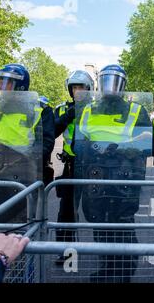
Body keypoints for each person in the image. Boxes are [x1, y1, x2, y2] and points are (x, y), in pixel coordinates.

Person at [74, 64, 152, 283]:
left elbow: (147, 143)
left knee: (122, 225)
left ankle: (125, 272)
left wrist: (123, 150)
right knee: (99, 225)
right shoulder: (88, 109)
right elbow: (77, 144)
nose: (110, 86)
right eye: (106, 80)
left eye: (115, 81)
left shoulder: (136, 110)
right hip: (96, 176)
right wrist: (93, 150)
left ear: (123, 85)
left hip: (124, 177)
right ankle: (107, 268)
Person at [0, 64, 55, 222]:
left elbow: (46, 142)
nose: (2, 86)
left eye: (7, 82)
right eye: (0, 82)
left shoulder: (39, 109)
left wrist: (29, 161)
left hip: (22, 173)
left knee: (20, 222)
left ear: (21, 86)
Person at [53, 70, 94, 264]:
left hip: (93, 166)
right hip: (71, 166)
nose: (77, 91)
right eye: (74, 87)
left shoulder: (96, 109)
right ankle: (66, 253)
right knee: (66, 212)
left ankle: (104, 253)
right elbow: (50, 131)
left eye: (81, 87)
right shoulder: (63, 109)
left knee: (96, 211)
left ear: (89, 89)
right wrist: (69, 115)